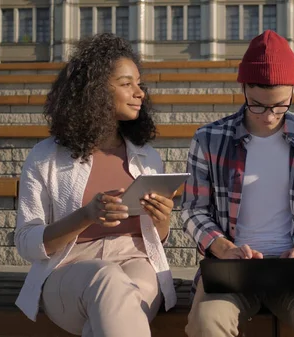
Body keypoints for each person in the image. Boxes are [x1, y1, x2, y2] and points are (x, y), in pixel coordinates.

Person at [180, 30, 294, 337]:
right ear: (244, 88)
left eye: (280, 105)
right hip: (232, 271)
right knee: (207, 322)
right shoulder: (209, 138)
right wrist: (224, 247)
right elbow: (192, 210)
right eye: (258, 105)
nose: (269, 116)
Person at [14, 33, 176, 337]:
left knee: (113, 310)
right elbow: (26, 242)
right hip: (68, 269)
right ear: (95, 90)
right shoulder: (45, 157)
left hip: (137, 262)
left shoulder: (147, 157)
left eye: (139, 83)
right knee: (108, 281)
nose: (139, 92)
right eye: (126, 83)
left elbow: (158, 237)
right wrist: (86, 215)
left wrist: (161, 218)